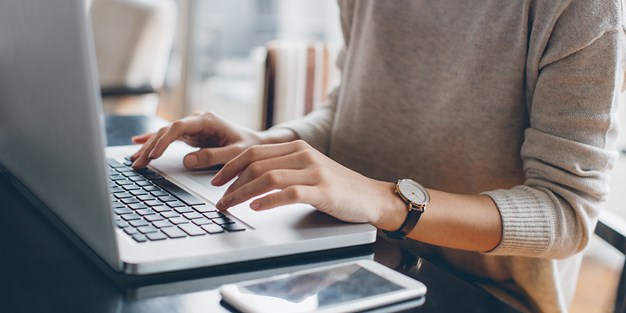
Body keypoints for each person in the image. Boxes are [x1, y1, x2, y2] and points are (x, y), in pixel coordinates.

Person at [131, 1, 625, 312]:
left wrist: (386, 201)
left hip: (475, 293)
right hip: (344, 253)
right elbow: (345, 111)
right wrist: (266, 143)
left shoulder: (587, 10)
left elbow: (566, 212)